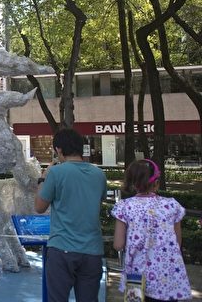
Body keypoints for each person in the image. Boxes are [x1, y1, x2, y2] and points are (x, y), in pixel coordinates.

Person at [35, 128, 107, 302]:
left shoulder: (56, 173)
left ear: (59, 149)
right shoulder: (99, 174)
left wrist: (42, 180)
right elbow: (96, 204)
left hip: (62, 249)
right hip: (92, 250)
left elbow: (39, 207)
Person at [111, 159, 192, 301]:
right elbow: (177, 243)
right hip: (168, 277)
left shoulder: (124, 207)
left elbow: (118, 245)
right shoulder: (172, 206)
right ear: (157, 182)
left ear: (133, 183)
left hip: (136, 277)